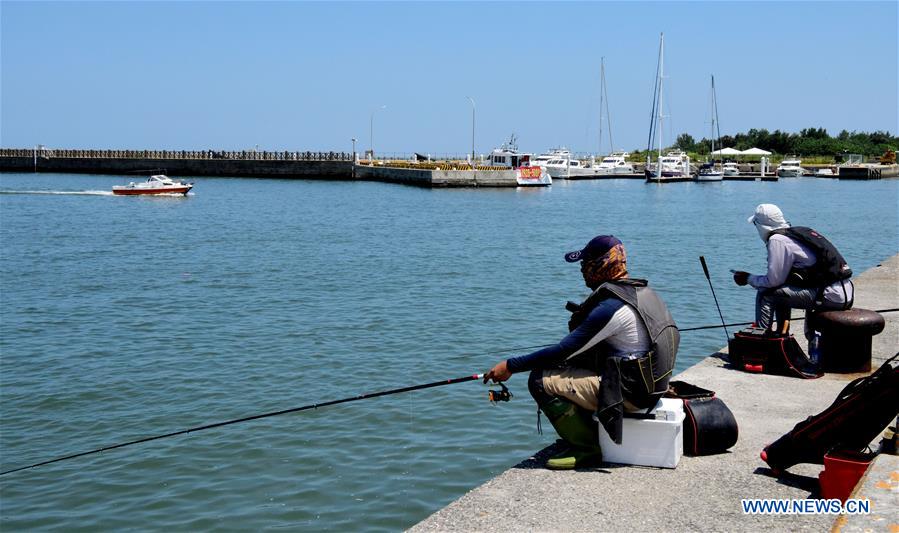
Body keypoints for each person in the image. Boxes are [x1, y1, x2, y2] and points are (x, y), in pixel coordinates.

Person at [483, 235, 679, 470]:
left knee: (539, 380)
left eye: (585, 264)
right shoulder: (643, 292)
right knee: (561, 369)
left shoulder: (611, 307)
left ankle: (587, 447)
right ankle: (588, 432)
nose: (582, 270)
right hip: (652, 386)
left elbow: (563, 351)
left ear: (602, 264)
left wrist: (510, 366)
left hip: (632, 395)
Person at [733, 204, 854, 351]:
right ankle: (781, 335)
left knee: (766, 293)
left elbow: (772, 281)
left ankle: (760, 344)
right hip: (844, 292)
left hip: (829, 296)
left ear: (761, 225)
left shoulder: (777, 240)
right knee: (780, 290)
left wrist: (748, 278)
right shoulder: (795, 234)